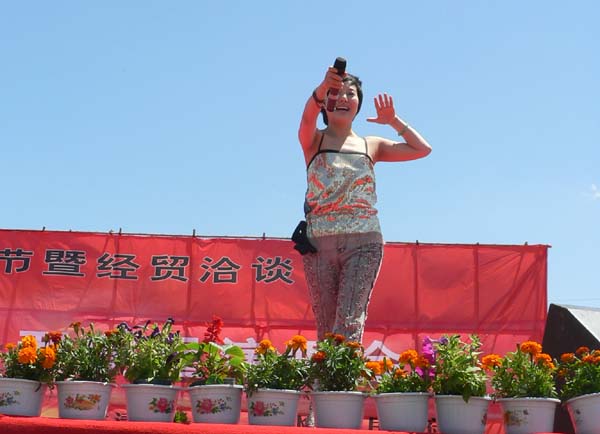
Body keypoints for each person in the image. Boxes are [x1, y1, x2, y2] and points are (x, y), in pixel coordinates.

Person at [298, 63, 432, 343]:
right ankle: (328, 373)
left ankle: (347, 370)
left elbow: (422, 149)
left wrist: (393, 121)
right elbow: (307, 117)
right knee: (327, 326)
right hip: (319, 244)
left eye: (351, 94)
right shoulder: (314, 140)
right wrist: (322, 88)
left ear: (358, 104)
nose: (344, 98)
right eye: (336, 93)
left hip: (363, 242)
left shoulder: (371, 145)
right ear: (325, 103)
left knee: (348, 321)